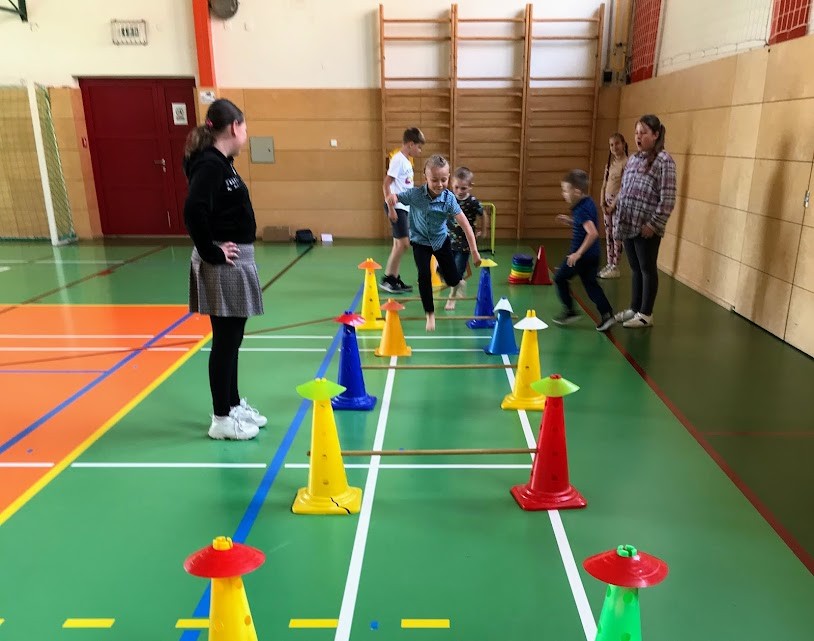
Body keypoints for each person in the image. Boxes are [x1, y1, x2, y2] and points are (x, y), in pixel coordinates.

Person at [183, 98, 267, 440]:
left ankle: (231, 405)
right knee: (226, 340)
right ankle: (221, 419)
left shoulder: (221, 162)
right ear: (234, 127)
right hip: (225, 263)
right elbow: (194, 210)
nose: (246, 133)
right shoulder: (209, 164)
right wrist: (210, 252)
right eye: (244, 127)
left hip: (236, 260)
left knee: (234, 338)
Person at [385, 155, 482, 332]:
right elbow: (393, 197)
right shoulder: (415, 194)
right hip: (420, 242)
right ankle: (430, 314)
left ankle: (457, 282)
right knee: (424, 276)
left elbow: (466, 225)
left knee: (452, 279)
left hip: (441, 241)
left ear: (449, 177)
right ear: (425, 177)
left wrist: (475, 252)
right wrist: (391, 205)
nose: (439, 184)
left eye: (444, 180)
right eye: (434, 180)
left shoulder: (449, 199)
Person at [613, 114, 676, 328]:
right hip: (629, 223)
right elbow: (625, 189)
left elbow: (668, 199)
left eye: (644, 133)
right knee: (635, 268)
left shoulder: (664, 161)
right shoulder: (633, 159)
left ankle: (646, 314)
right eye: (636, 133)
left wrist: (653, 224)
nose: (638, 137)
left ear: (656, 135)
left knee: (647, 268)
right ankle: (635, 308)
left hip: (646, 227)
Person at [552, 169, 615, 332]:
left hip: (581, 257)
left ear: (577, 192)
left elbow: (592, 233)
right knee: (591, 285)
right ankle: (607, 314)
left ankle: (570, 311)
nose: (564, 194)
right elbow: (585, 223)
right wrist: (570, 221)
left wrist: (577, 254)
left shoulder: (580, 208)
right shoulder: (588, 202)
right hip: (593, 255)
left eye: (566, 190)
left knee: (560, 278)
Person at [381, 127, 425, 293]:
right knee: (404, 244)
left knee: (398, 244)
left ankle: (393, 278)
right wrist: (391, 208)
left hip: (403, 207)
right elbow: (386, 184)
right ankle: (388, 279)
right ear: (410, 144)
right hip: (396, 206)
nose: (420, 151)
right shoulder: (398, 160)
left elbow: (404, 185)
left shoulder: (406, 161)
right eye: (419, 147)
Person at [445, 166, 484, 311]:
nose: (459, 191)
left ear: (470, 186)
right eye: (456, 187)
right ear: (452, 184)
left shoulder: (472, 202)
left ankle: (452, 298)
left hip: (464, 244)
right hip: (448, 241)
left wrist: (482, 230)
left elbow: (483, 214)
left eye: (463, 188)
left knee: (457, 271)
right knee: (441, 269)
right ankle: (459, 282)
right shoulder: (449, 198)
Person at [599, 133, 629, 279]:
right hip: (607, 202)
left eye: (617, 143)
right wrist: (602, 202)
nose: (614, 147)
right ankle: (609, 263)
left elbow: (624, 187)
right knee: (608, 234)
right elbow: (604, 184)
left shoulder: (626, 163)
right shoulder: (610, 164)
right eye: (611, 145)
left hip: (618, 204)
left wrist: (613, 205)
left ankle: (616, 265)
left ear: (623, 144)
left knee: (617, 235)